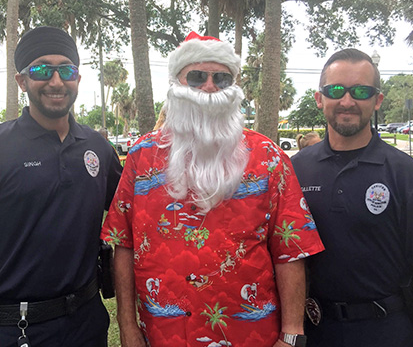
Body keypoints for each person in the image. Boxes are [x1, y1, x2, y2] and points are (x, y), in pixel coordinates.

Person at [102, 32, 324, 347]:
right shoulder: (142, 155)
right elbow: (123, 244)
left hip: (253, 337)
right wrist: (128, 327)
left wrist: (291, 334)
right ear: (177, 84)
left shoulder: (268, 156)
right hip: (164, 337)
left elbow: (291, 249)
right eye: (196, 77)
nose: (209, 87)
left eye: (221, 78)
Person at [0, 26, 122, 347]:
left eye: (66, 70)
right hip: (14, 331)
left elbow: (136, 213)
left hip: (88, 325)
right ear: (22, 80)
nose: (56, 81)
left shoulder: (97, 148)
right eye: (42, 70)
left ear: (78, 79)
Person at [291, 48, 413, 347]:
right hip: (314, 332)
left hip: (386, 331)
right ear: (320, 99)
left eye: (360, 91)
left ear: (377, 100)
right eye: (335, 90)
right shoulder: (295, 170)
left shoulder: (406, 174)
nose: (347, 101)